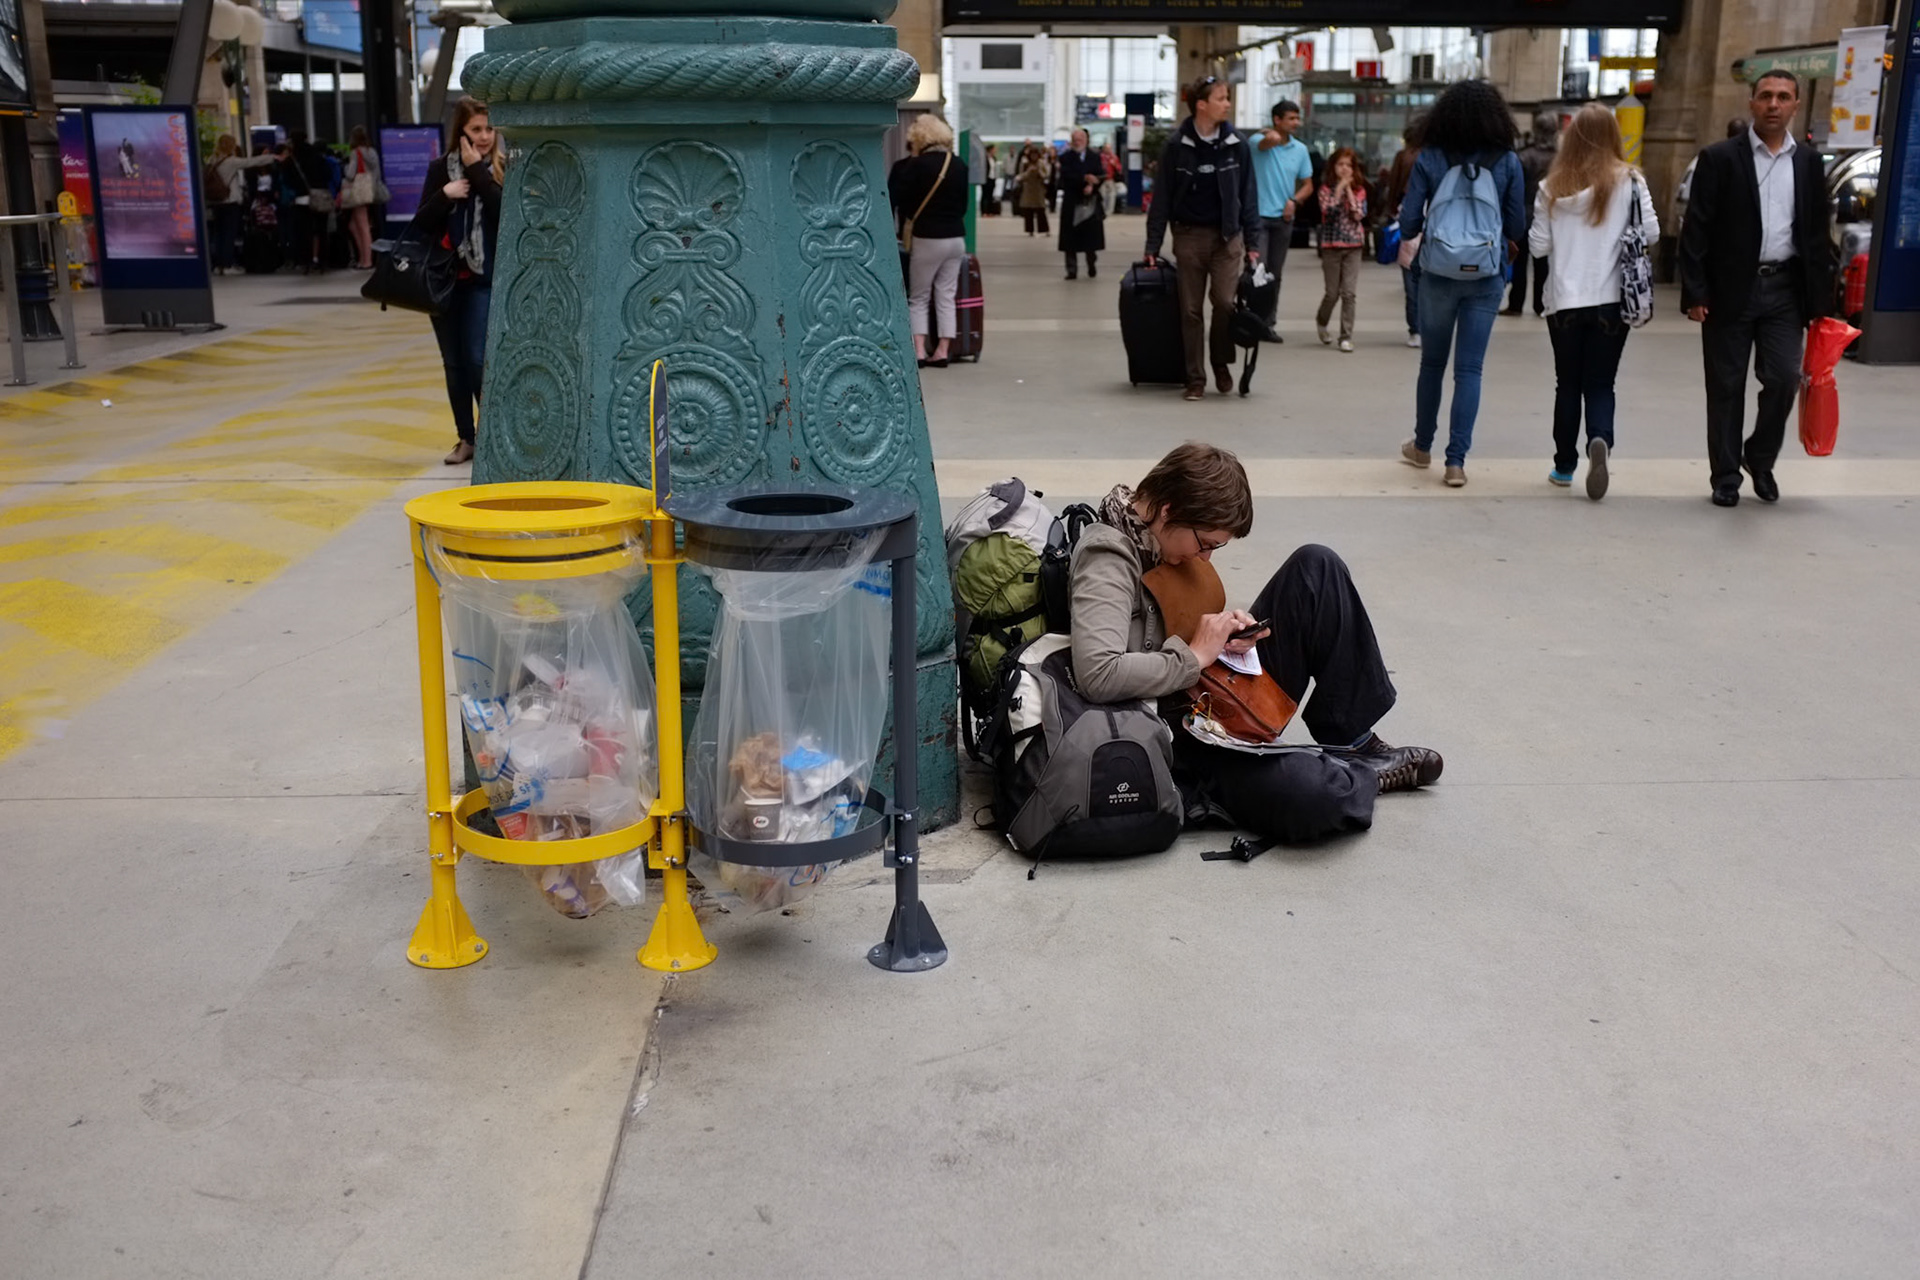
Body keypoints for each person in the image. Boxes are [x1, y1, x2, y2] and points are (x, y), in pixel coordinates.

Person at [1069, 441, 1442, 846]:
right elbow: (1098, 673)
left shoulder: (1162, 539)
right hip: (1182, 735)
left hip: (1208, 689)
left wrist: (1224, 634)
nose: (1207, 557)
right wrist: (1194, 656)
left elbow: (1172, 624)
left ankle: (1352, 744)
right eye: (1206, 542)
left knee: (1317, 567)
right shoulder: (1108, 556)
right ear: (1168, 509)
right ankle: (1353, 773)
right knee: (1321, 798)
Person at [1679, 70, 1834, 507]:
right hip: (1731, 291)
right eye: (1765, 96)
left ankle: (1759, 457)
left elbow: (1817, 235)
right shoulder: (1720, 159)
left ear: (1795, 106)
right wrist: (1696, 292)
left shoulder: (1807, 162)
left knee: (1784, 378)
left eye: (1783, 97)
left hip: (1786, 290)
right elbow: (1697, 230)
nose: (1773, 104)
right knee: (1726, 386)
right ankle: (1726, 475)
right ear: (1751, 103)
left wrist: (1820, 303)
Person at [1395, 79, 1526, 488]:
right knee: (1470, 369)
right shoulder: (1506, 161)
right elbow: (1517, 225)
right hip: (1485, 276)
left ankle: (1422, 447)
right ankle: (1456, 462)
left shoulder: (1431, 158)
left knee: (1432, 363)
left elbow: (1410, 221)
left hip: (1437, 273)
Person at [1529, 104, 1659, 501]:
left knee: (1566, 384)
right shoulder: (1631, 181)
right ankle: (1599, 439)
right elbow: (1650, 232)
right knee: (1601, 383)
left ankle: (1564, 466)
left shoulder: (1551, 187)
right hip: (1611, 300)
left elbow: (1537, 245)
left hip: (1565, 303)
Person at [1143, 76, 1264, 402]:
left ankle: (1220, 361)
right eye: (1222, 98)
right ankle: (1195, 377)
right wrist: (1152, 246)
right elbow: (1162, 199)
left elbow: (1248, 195)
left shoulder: (1237, 144)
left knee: (1225, 303)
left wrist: (1253, 244)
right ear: (1202, 104)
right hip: (1189, 237)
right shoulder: (1176, 146)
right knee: (1191, 311)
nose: (1228, 104)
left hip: (1227, 239)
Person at [417, 97, 505, 466]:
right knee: (453, 363)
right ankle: (465, 438)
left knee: (475, 358)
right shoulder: (441, 169)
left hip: (483, 281)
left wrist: (477, 172)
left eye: (488, 129)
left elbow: (504, 214)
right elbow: (422, 222)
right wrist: (444, 195)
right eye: (476, 130)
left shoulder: (502, 167)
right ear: (461, 132)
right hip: (444, 280)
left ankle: (491, 434)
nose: (484, 137)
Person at [887, 113, 971, 369]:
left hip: (928, 237)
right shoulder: (957, 164)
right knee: (946, 295)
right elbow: (964, 205)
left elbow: (899, 201)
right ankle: (943, 351)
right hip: (956, 237)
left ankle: (920, 351)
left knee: (920, 297)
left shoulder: (915, 166)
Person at [1252, 100, 1314, 343]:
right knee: (1258, 272)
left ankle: (1268, 324)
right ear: (1277, 120)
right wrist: (1268, 133)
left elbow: (1308, 185)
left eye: (1297, 118)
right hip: (1257, 218)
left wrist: (1295, 201)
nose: (1296, 123)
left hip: (1284, 219)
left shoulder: (1300, 150)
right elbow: (1268, 142)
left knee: (1275, 274)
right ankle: (1253, 321)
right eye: (1291, 118)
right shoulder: (1258, 143)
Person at [1313, 147, 1368, 352]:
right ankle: (1322, 320)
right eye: (1340, 164)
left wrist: (1348, 191)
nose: (1344, 169)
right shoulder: (1325, 189)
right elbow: (1329, 213)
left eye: (1348, 165)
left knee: (1349, 293)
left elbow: (1358, 215)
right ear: (1333, 166)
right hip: (1331, 246)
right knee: (1332, 293)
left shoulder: (1360, 189)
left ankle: (1346, 336)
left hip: (1354, 245)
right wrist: (1339, 190)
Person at [1506, 112, 1558, 316]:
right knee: (1542, 264)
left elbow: (1514, 188)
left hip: (1524, 212)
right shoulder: (1559, 158)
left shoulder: (1524, 156)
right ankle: (1541, 303)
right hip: (1549, 215)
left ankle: (1516, 304)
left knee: (1520, 262)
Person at [1383, 115, 1426, 348]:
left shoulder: (1403, 157)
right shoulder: (1436, 157)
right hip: (1432, 222)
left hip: (1406, 217)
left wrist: (1390, 210)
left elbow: (1394, 187)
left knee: (1410, 277)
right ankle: (1426, 328)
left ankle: (1415, 329)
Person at [205, 135, 275, 275]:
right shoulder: (231, 161)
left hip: (215, 201)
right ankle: (227, 264)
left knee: (218, 234)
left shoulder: (212, 160)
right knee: (229, 233)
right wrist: (272, 157)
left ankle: (218, 264)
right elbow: (251, 162)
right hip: (230, 200)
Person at [1056, 128, 1106, 280]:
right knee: (1070, 238)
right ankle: (1071, 269)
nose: (1078, 142)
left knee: (1090, 237)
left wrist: (1094, 183)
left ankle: (1091, 264)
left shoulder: (1094, 157)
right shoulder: (1065, 157)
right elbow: (1065, 176)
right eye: (1075, 140)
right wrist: (1084, 178)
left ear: (1086, 140)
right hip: (1072, 200)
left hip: (1090, 202)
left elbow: (1101, 174)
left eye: (1080, 139)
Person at [339, 125, 385, 270]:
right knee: (354, 224)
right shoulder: (372, 152)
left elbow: (350, 174)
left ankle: (366, 260)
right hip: (370, 188)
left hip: (359, 189)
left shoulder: (355, 152)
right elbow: (376, 172)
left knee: (362, 225)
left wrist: (345, 168)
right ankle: (363, 257)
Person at [1014, 145, 1051, 236]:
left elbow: (1045, 175)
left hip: (1038, 189)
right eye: (1032, 155)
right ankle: (1030, 230)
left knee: (1041, 210)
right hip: (1028, 189)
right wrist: (1029, 172)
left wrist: (1038, 171)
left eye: (1035, 155)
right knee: (1028, 211)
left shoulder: (1041, 163)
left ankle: (1044, 230)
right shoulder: (1025, 163)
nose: (1033, 157)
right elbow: (1020, 176)